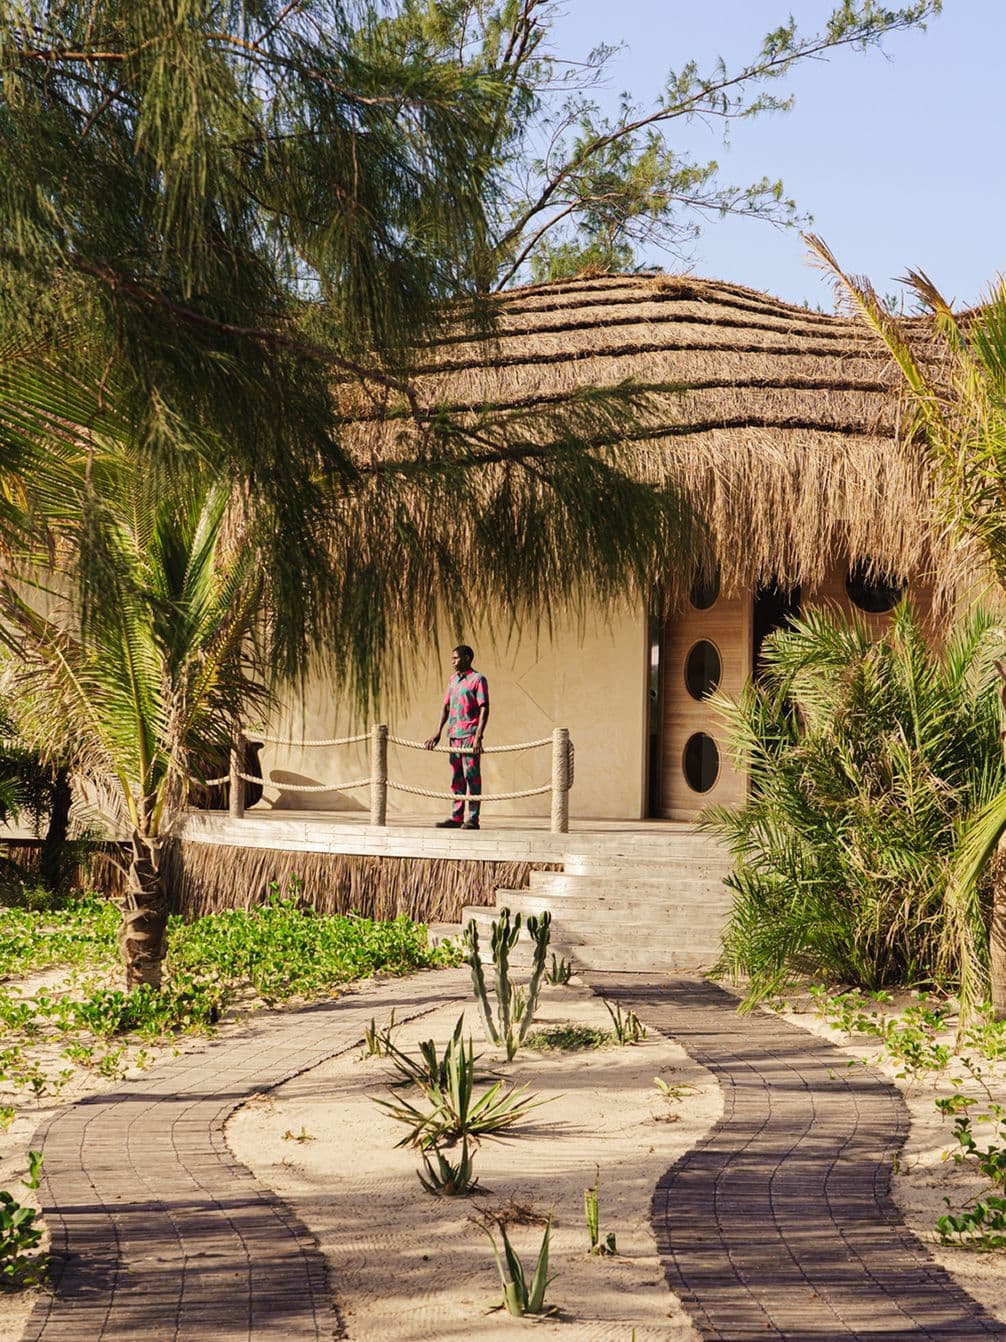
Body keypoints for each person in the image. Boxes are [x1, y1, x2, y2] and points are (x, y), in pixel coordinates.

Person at [424, 644, 489, 829]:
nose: (452, 661)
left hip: (469, 736)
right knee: (457, 778)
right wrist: (437, 732)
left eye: (456, 658)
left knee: (472, 778)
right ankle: (457, 817)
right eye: (452, 658)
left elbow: (485, 708)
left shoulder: (478, 679)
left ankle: (473, 819)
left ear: (467, 658)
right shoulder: (453, 680)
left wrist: (478, 736)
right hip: (453, 736)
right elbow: (445, 707)